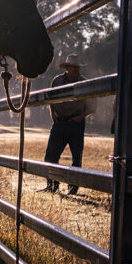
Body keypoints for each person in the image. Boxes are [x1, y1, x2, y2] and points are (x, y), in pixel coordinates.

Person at [41, 53, 95, 194]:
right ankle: (52, 185)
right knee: (50, 155)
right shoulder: (57, 81)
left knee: (76, 157)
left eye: (77, 67)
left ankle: (73, 188)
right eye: (73, 67)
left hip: (76, 123)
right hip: (60, 122)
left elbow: (93, 106)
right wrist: (52, 114)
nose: (76, 69)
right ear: (67, 68)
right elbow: (50, 99)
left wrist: (81, 117)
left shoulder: (84, 83)